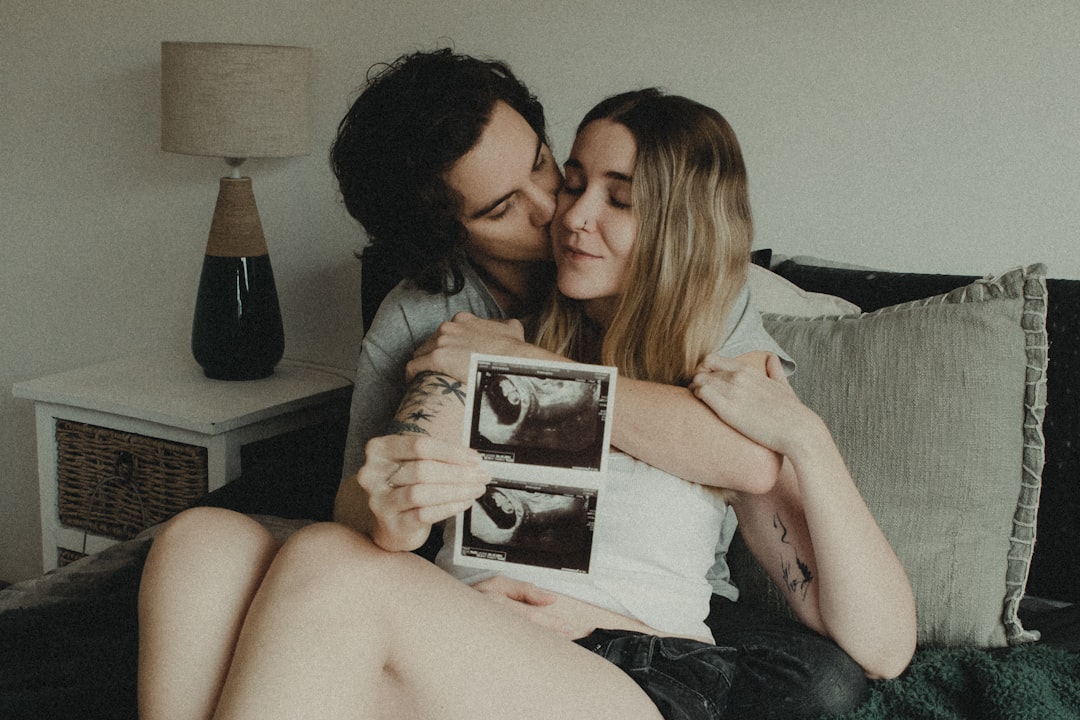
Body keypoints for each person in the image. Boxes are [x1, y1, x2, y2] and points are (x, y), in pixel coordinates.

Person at [139, 88, 914, 720]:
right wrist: (395, 506)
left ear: (677, 227)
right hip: (459, 643)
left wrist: (806, 438)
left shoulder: (717, 361)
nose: (565, 214)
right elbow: (381, 508)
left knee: (331, 569)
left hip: (625, 671)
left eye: (613, 197)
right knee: (199, 542)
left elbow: (878, 642)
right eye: (575, 183)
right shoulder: (468, 331)